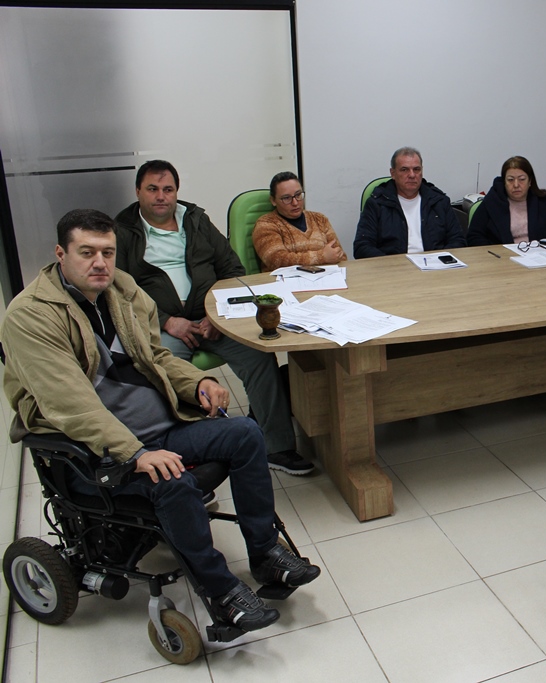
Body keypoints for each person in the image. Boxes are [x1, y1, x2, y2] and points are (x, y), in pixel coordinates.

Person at [0, 209, 321, 632]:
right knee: (172, 480)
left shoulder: (122, 289)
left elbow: (157, 357)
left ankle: (264, 554)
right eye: (87, 252)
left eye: (107, 252)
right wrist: (136, 453)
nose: (100, 262)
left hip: (160, 428)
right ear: (61, 254)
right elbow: (70, 405)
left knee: (245, 433)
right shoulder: (30, 316)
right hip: (100, 456)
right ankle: (221, 591)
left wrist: (198, 383)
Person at [114, 160, 314, 475]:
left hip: (211, 317)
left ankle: (276, 447)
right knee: (161, 372)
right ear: (138, 191)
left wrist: (216, 313)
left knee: (259, 355)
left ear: (177, 191)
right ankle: (182, 454)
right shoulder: (123, 231)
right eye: (152, 189)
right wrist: (166, 320)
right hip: (161, 326)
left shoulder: (195, 220)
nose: (161, 196)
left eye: (168, 189)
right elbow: (119, 289)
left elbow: (231, 268)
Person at [353, 147, 466, 258]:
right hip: (393, 266)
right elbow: (362, 247)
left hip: (435, 264)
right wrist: (390, 264)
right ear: (393, 173)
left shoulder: (438, 201)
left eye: (416, 169)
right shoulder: (377, 203)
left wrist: (439, 260)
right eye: (404, 169)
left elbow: (458, 240)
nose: (412, 175)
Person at [252, 171, 347, 271]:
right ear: (273, 201)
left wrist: (331, 257)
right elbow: (276, 260)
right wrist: (321, 257)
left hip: (326, 277)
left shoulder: (320, 219)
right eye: (286, 198)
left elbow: (340, 256)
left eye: (298, 195)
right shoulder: (265, 224)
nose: (295, 202)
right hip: (286, 279)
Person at [466, 156, 546, 246]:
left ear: (530, 181)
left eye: (522, 179)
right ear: (504, 182)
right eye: (510, 180)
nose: (516, 185)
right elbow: (474, 236)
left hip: (539, 254)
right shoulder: (492, 202)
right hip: (503, 256)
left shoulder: (543, 202)